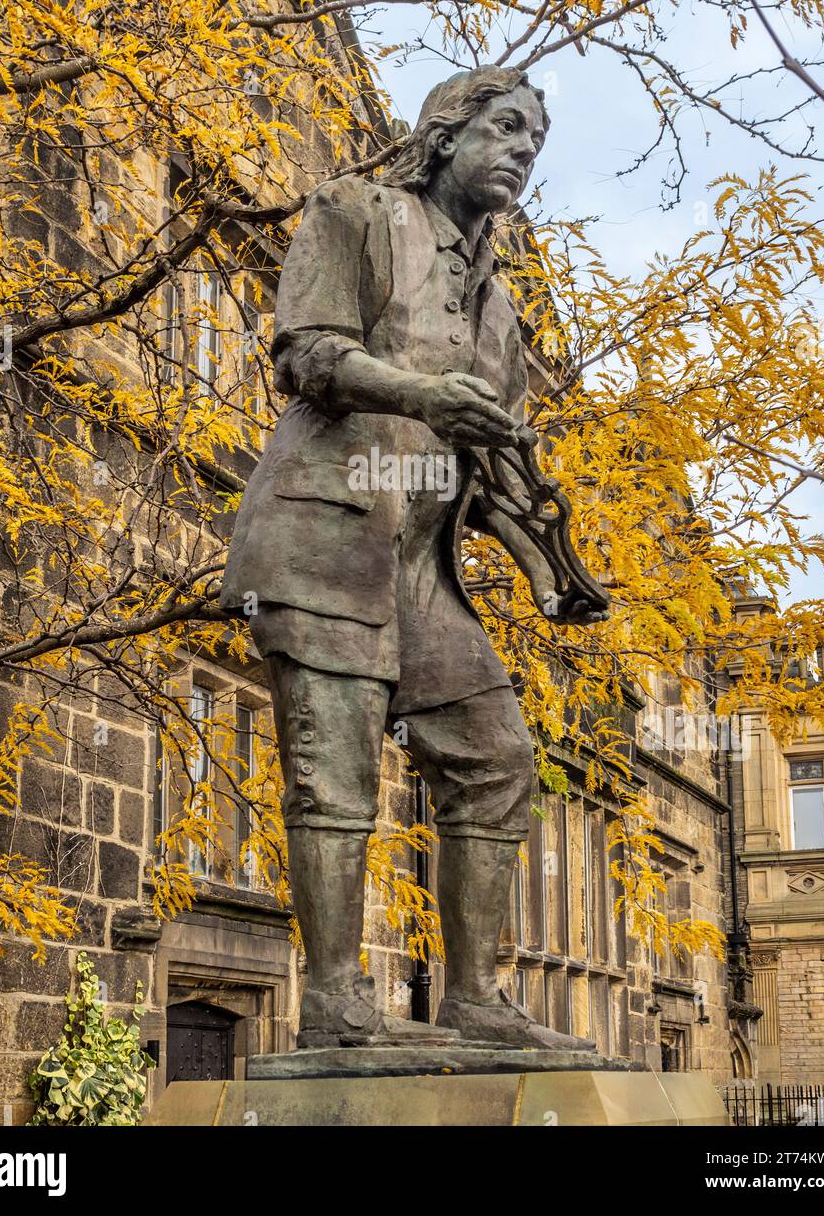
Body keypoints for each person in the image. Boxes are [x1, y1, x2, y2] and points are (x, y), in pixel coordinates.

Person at [222, 65, 606, 1048]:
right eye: (508, 127)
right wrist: (418, 395)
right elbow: (306, 352)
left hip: (423, 574)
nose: (523, 150)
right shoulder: (354, 212)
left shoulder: (498, 309)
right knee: (335, 774)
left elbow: (497, 468)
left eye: (537, 140)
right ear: (448, 131)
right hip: (323, 537)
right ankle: (337, 1002)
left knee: (496, 756)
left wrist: (545, 566)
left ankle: (474, 996)